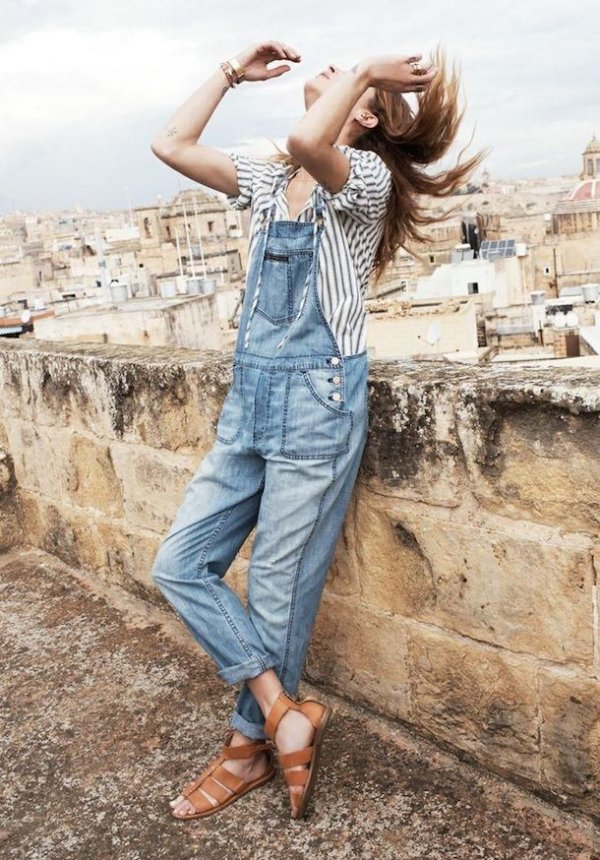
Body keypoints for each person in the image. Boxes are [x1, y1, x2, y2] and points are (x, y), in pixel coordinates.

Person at [149, 40, 486, 822]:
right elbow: (170, 144)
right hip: (252, 401)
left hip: (318, 401)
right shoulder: (273, 181)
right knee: (179, 562)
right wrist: (231, 72)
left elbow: (313, 142)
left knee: (275, 588)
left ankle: (243, 753)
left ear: (364, 116)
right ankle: (281, 711)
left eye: (348, 80)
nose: (332, 72)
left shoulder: (359, 180)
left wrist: (369, 71)